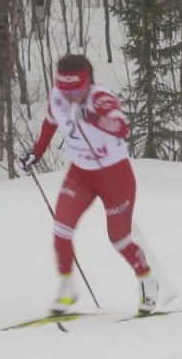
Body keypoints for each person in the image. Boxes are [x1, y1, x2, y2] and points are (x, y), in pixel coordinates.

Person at [17, 54, 165, 315]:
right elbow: (51, 123)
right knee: (61, 229)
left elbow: (121, 128)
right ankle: (66, 287)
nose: (70, 94)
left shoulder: (101, 98)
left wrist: (92, 117)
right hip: (81, 174)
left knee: (119, 239)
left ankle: (147, 279)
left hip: (115, 176)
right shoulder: (58, 97)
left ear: (87, 82)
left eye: (75, 89)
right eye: (64, 88)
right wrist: (36, 153)